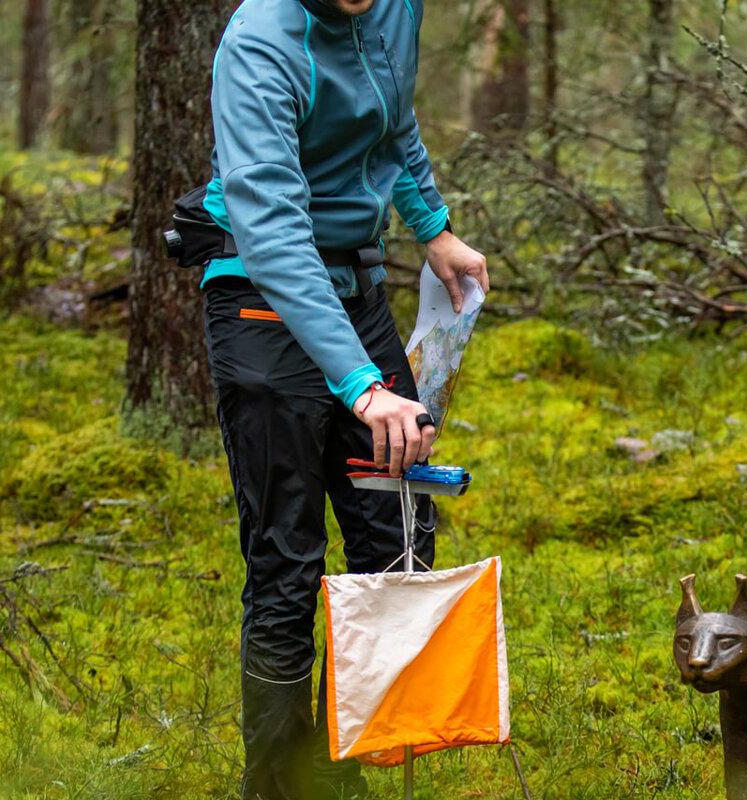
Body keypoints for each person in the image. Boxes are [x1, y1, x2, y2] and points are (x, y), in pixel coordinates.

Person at [198, 0, 489, 797]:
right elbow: (273, 229)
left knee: (396, 532)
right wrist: (362, 385)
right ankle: (284, 785)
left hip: (356, 288)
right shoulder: (260, 42)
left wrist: (431, 224)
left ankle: (348, 766)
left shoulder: (395, 7)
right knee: (287, 562)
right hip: (262, 299)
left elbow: (393, 111)